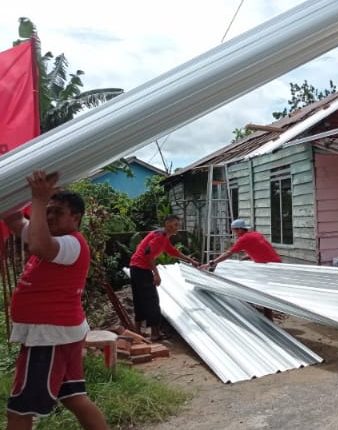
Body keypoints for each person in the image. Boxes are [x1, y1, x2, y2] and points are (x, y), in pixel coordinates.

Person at [2, 171, 109, 430]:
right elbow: (15, 220)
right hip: (58, 333)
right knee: (74, 398)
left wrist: (38, 199)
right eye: (47, 211)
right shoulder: (53, 237)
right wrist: (12, 187)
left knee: (19, 408)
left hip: (48, 336)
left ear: (76, 218)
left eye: (57, 212)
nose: (49, 216)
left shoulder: (71, 244)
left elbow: (38, 245)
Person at [129, 214, 199, 341]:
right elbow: (149, 256)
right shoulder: (160, 237)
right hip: (141, 269)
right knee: (152, 301)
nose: (177, 228)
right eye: (175, 225)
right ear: (167, 224)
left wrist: (190, 260)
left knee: (140, 300)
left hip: (136, 268)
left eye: (178, 225)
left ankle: (137, 331)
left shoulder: (162, 236)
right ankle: (155, 333)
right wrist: (156, 274)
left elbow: (173, 252)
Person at [201, 219, 281, 319]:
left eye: (233, 231)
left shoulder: (243, 239)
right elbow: (262, 247)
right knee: (264, 290)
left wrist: (211, 263)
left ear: (239, 230)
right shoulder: (255, 234)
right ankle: (266, 315)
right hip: (275, 263)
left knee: (263, 291)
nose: (233, 233)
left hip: (268, 267)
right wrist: (248, 256)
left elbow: (228, 253)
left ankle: (268, 317)